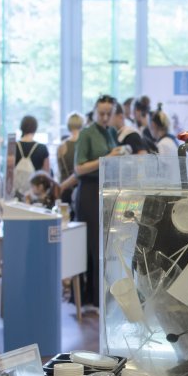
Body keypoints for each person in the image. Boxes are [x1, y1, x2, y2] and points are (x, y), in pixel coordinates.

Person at [74, 95, 118, 310]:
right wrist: (107, 158)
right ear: (94, 112)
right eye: (101, 113)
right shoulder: (87, 134)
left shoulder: (110, 132)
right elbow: (79, 168)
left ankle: (100, 295)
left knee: (105, 245)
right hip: (90, 191)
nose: (105, 117)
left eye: (109, 113)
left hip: (106, 190)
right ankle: (90, 297)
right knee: (93, 245)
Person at [57, 111, 84, 206]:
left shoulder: (61, 146)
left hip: (65, 188)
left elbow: (60, 170)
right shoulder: (84, 144)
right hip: (82, 189)